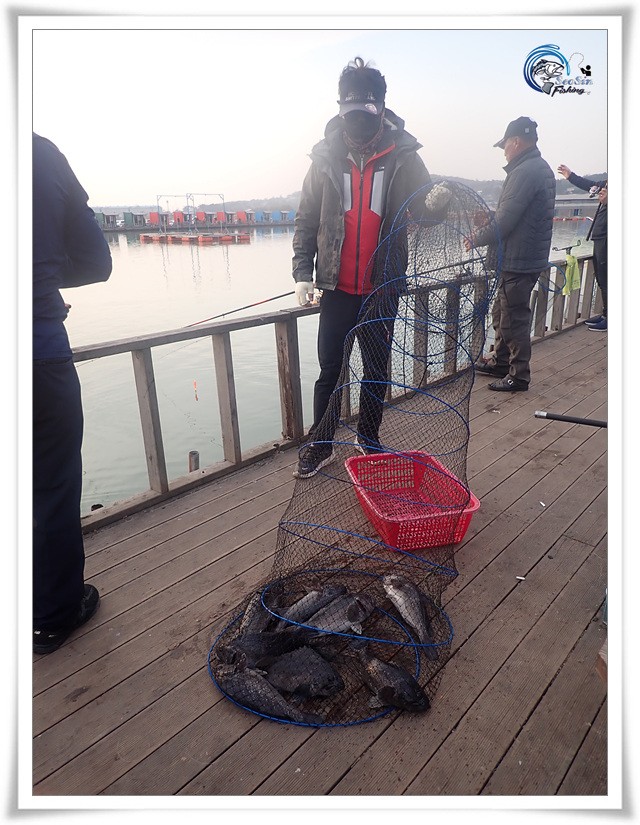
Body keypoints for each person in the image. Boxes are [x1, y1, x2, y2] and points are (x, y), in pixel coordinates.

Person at [291, 56, 439, 478]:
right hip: (336, 288)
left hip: (383, 288)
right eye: (350, 110)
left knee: (376, 371)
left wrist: (438, 203)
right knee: (330, 372)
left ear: (381, 107)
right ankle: (321, 444)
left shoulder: (405, 156)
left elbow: (426, 212)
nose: (357, 120)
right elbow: (306, 220)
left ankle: (368, 437)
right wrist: (302, 273)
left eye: (367, 110)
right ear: (341, 108)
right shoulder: (323, 159)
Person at [33, 133, 113, 654]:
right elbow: (96, 261)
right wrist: (41, 278)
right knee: (52, 484)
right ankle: (52, 617)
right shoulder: (39, 154)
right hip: (36, 350)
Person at [465, 116, 556, 392]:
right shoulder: (536, 167)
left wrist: (477, 237)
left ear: (516, 142)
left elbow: (506, 222)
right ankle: (501, 362)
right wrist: (491, 216)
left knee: (514, 320)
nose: (504, 151)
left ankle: (518, 376)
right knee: (501, 312)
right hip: (522, 257)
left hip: (519, 260)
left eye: (504, 145)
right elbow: (517, 214)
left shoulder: (524, 171)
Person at [557, 164, 607, 331]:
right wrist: (570, 176)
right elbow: (589, 185)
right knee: (601, 279)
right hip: (599, 237)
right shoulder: (606, 184)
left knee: (607, 279)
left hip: (608, 238)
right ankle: (606, 314)